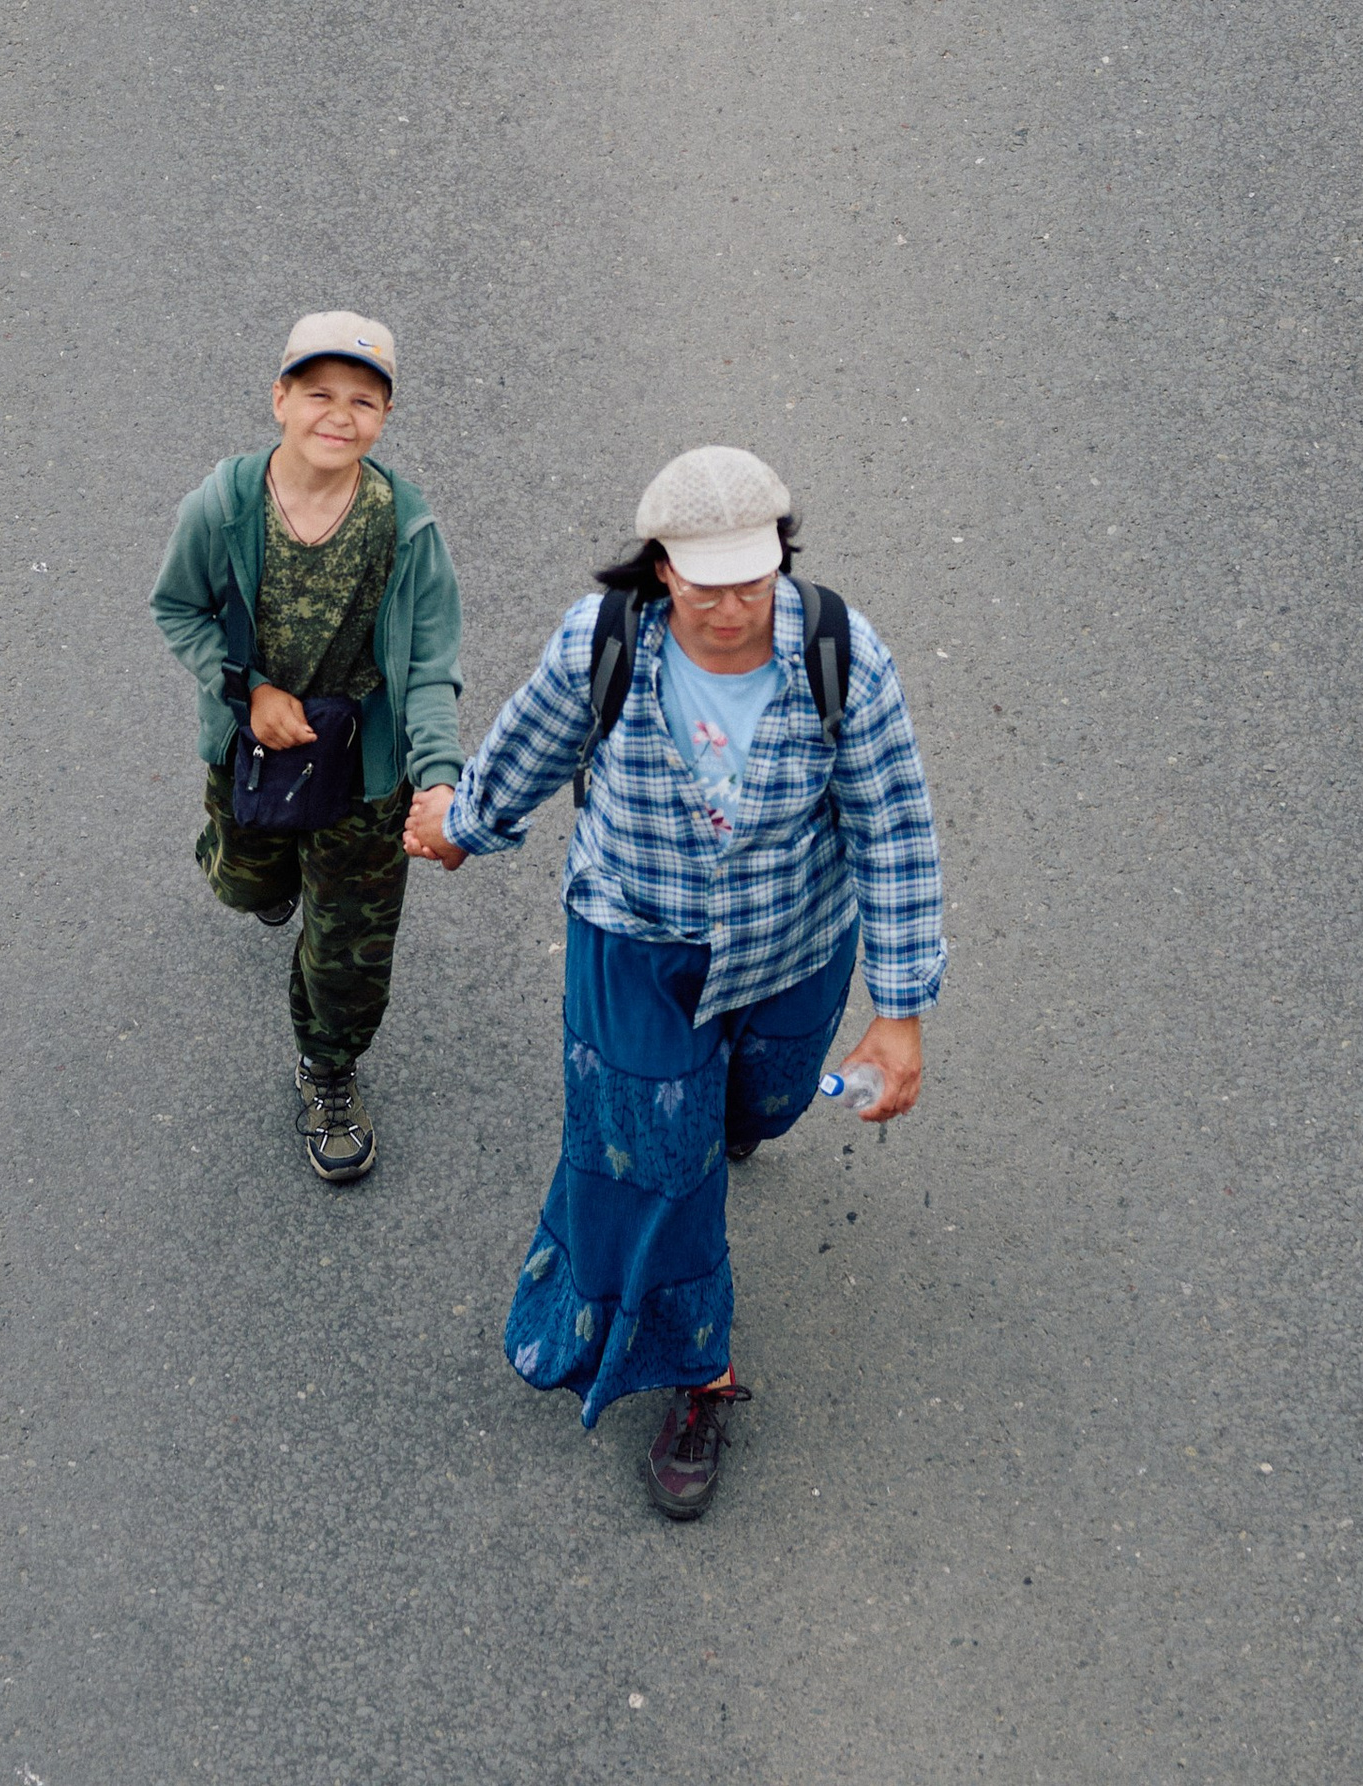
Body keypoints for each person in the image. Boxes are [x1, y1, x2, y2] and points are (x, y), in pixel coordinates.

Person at [405, 447, 943, 1518]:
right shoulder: (600, 643)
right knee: (663, 1157)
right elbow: (531, 739)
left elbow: (893, 824)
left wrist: (899, 1012)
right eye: (707, 583)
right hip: (633, 936)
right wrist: (463, 824)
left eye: (754, 578)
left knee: (767, 1101)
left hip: (791, 943)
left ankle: (734, 1112)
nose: (732, 605)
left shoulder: (844, 655)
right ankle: (700, 1373)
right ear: (661, 569)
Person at [151, 314, 464, 1186]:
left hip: (366, 771)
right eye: (319, 392)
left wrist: (438, 781)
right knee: (246, 882)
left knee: (351, 938)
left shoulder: (406, 528)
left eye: (363, 399)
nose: (340, 414)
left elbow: (433, 668)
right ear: (280, 398)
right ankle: (262, 883)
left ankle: (328, 1068)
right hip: (254, 751)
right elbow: (176, 608)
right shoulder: (224, 506)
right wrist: (246, 688)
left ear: (385, 416)